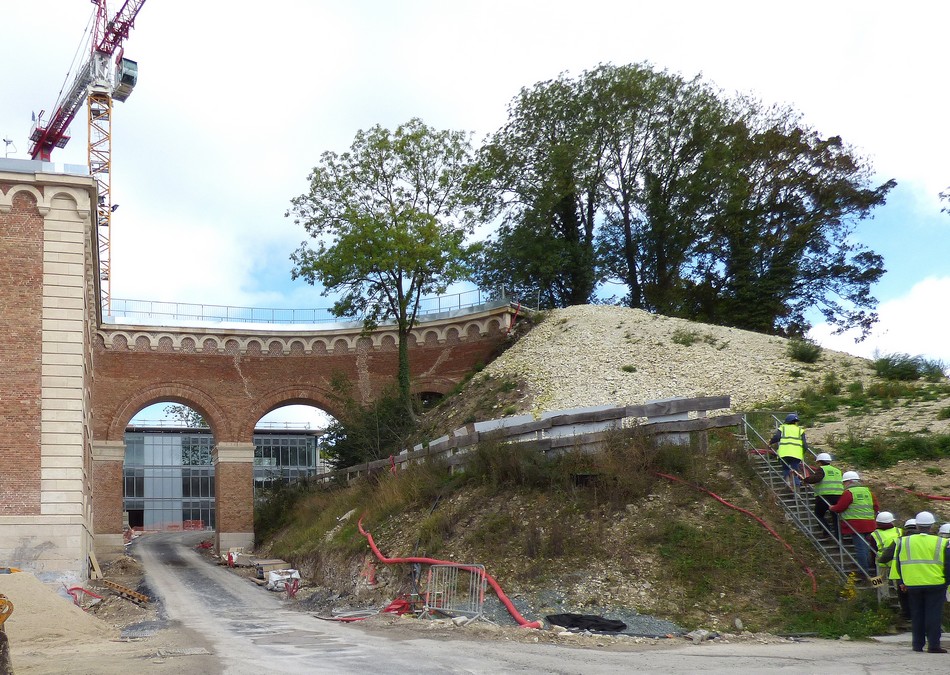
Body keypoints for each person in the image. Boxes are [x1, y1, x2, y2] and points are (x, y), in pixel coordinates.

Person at [894, 511, 950, 653]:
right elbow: (948, 564)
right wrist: (947, 582)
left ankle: (917, 645)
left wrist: (902, 581)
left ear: (917, 525)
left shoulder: (904, 541)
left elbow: (899, 563)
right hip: (936, 583)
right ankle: (933, 645)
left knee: (917, 614)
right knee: (933, 614)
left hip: (912, 583)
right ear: (932, 526)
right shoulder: (942, 542)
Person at [829, 471, 878, 576]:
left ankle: (863, 571)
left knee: (860, 548)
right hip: (870, 523)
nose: (844, 485)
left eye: (844, 482)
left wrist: (832, 508)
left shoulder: (849, 493)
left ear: (849, 481)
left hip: (856, 525)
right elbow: (876, 507)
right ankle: (870, 568)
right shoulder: (868, 491)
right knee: (866, 547)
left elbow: (840, 507)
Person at [801, 452, 843, 536]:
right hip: (838, 496)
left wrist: (806, 480)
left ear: (819, 462)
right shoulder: (837, 471)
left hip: (824, 496)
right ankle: (838, 537)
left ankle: (826, 530)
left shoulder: (821, 469)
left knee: (818, 514)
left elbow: (817, 478)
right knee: (835, 517)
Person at [768, 413, 808, 489]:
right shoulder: (800, 430)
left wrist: (770, 442)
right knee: (795, 470)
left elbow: (777, 437)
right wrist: (801, 453)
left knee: (786, 468)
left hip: (784, 454)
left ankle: (787, 483)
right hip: (796, 455)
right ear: (795, 422)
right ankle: (796, 486)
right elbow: (805, 446)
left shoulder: (783, 428)